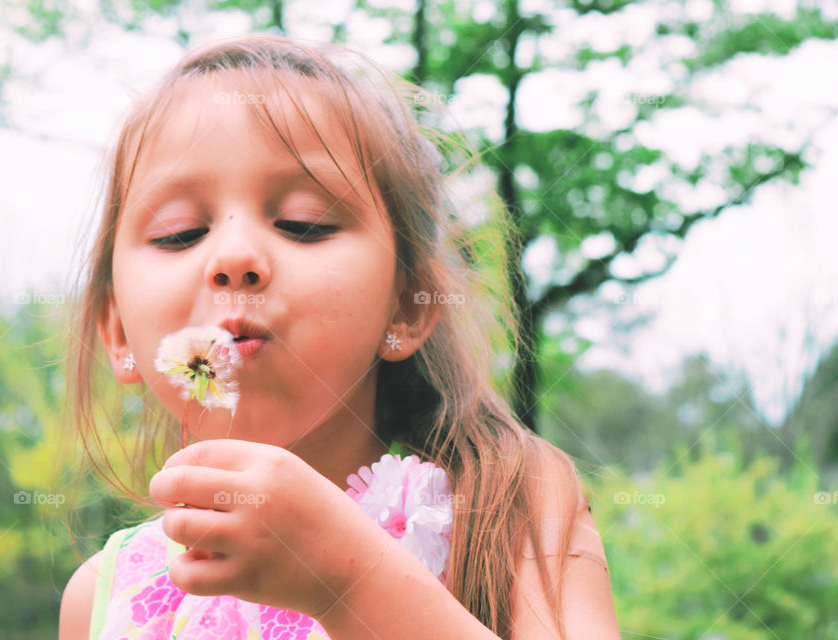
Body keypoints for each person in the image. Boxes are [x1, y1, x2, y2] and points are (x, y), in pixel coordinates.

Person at [58, 33, 621, 640]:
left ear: (406, 305)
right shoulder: (108, 591)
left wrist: (349, 582)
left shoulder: (513, 509)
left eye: (305, 223)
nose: (235, 257)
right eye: (179, 232)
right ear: (117, 333)